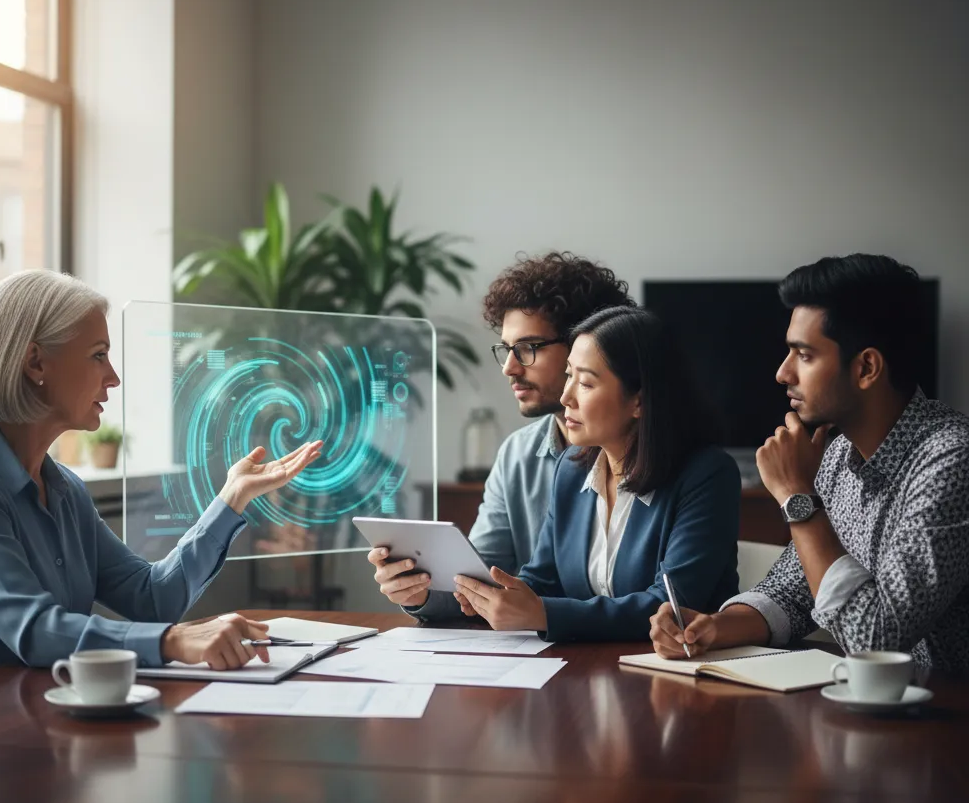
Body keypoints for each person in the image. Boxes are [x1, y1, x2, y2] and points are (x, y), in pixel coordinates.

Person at [0, 270, 323, 678]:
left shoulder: (65, 489)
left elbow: (152, 599)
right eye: (97, 355)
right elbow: (35, 630)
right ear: (36, 361)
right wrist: (175, 640)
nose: (113, 377)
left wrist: (232, 497)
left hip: (44, 717)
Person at [650, 254, 969, 673]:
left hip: (942, 720)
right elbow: (792, 594)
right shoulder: (837, 454)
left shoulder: (952, 461)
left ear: (866, 367)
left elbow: (874, 640)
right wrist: (715, 627)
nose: (783, 374)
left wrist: (798, 499)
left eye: (804, 355)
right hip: (868, 713)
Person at [369, 251, 634, 619]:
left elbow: (670, 606)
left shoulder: (659, 460)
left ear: (585, 345)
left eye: (527, 349)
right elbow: (479, 581)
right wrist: (418, 592)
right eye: (506, 350)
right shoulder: (518, 455)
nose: (509, 367)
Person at [453, 306, 740, 641]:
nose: (566, 397)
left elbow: (671, 606)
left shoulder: (707, 476)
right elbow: (544, 579)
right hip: (589, 670)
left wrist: (543, 613)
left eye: (586, 383)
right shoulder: (572, 468)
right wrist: (489, 598)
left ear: (639, 402)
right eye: (568, 375)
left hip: (679, 675)